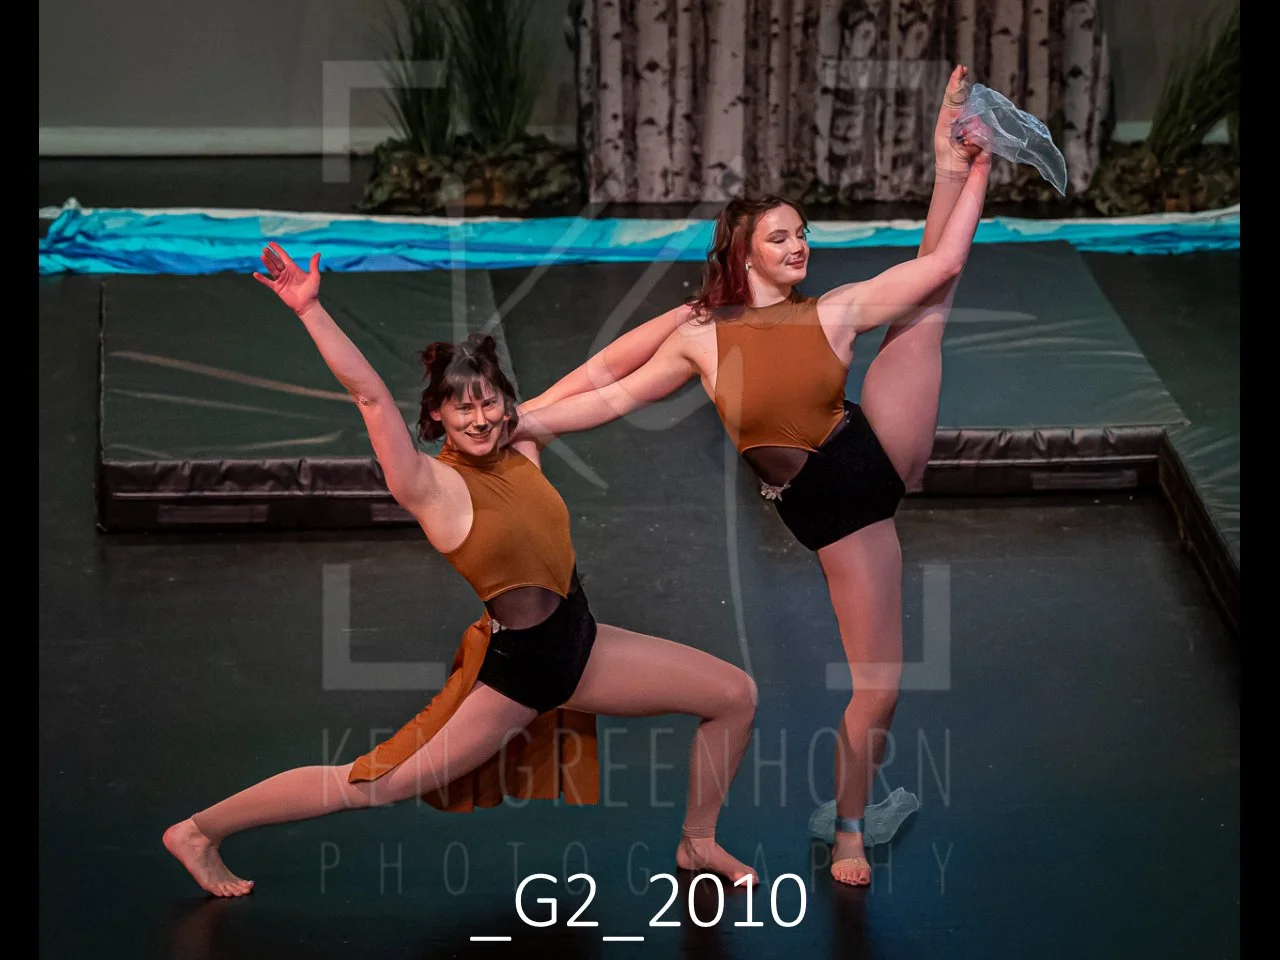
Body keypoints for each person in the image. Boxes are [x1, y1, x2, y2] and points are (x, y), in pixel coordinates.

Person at [162, 243, 760, 898]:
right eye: (462, 409)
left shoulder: (521, 439)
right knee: (372, 784)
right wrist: (310, 311)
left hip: (582, 645)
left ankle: (697, 841)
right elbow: (369, 397)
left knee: (734, 696)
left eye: (489, 403)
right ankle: (198, 831)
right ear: (437, 416)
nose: (480, 419)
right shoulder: (431, 487)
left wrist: (698, 310)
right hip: (520, 674)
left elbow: (606, 371)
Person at [513, 67, 990, 886]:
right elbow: (616, 392)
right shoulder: (701, 333)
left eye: (802, 233)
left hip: (870, 461)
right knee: (879, 690)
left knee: (930, 307)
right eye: (779, 237)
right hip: (831, 511)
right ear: (742, 251)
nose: (798, 245)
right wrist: (523, 423)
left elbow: (945, 259)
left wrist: (972, 166)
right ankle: (844, 822)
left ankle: (849, 830)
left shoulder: (833, 311)